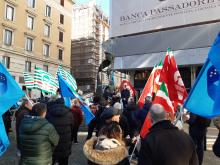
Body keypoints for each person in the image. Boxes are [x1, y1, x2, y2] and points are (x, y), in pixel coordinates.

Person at [47, 98, 74, 165]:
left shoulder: (48, 113)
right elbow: (72, 127)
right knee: (64, 162)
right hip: (65, 142)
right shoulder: (69, 113)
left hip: (52, 143)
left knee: (51, 161)